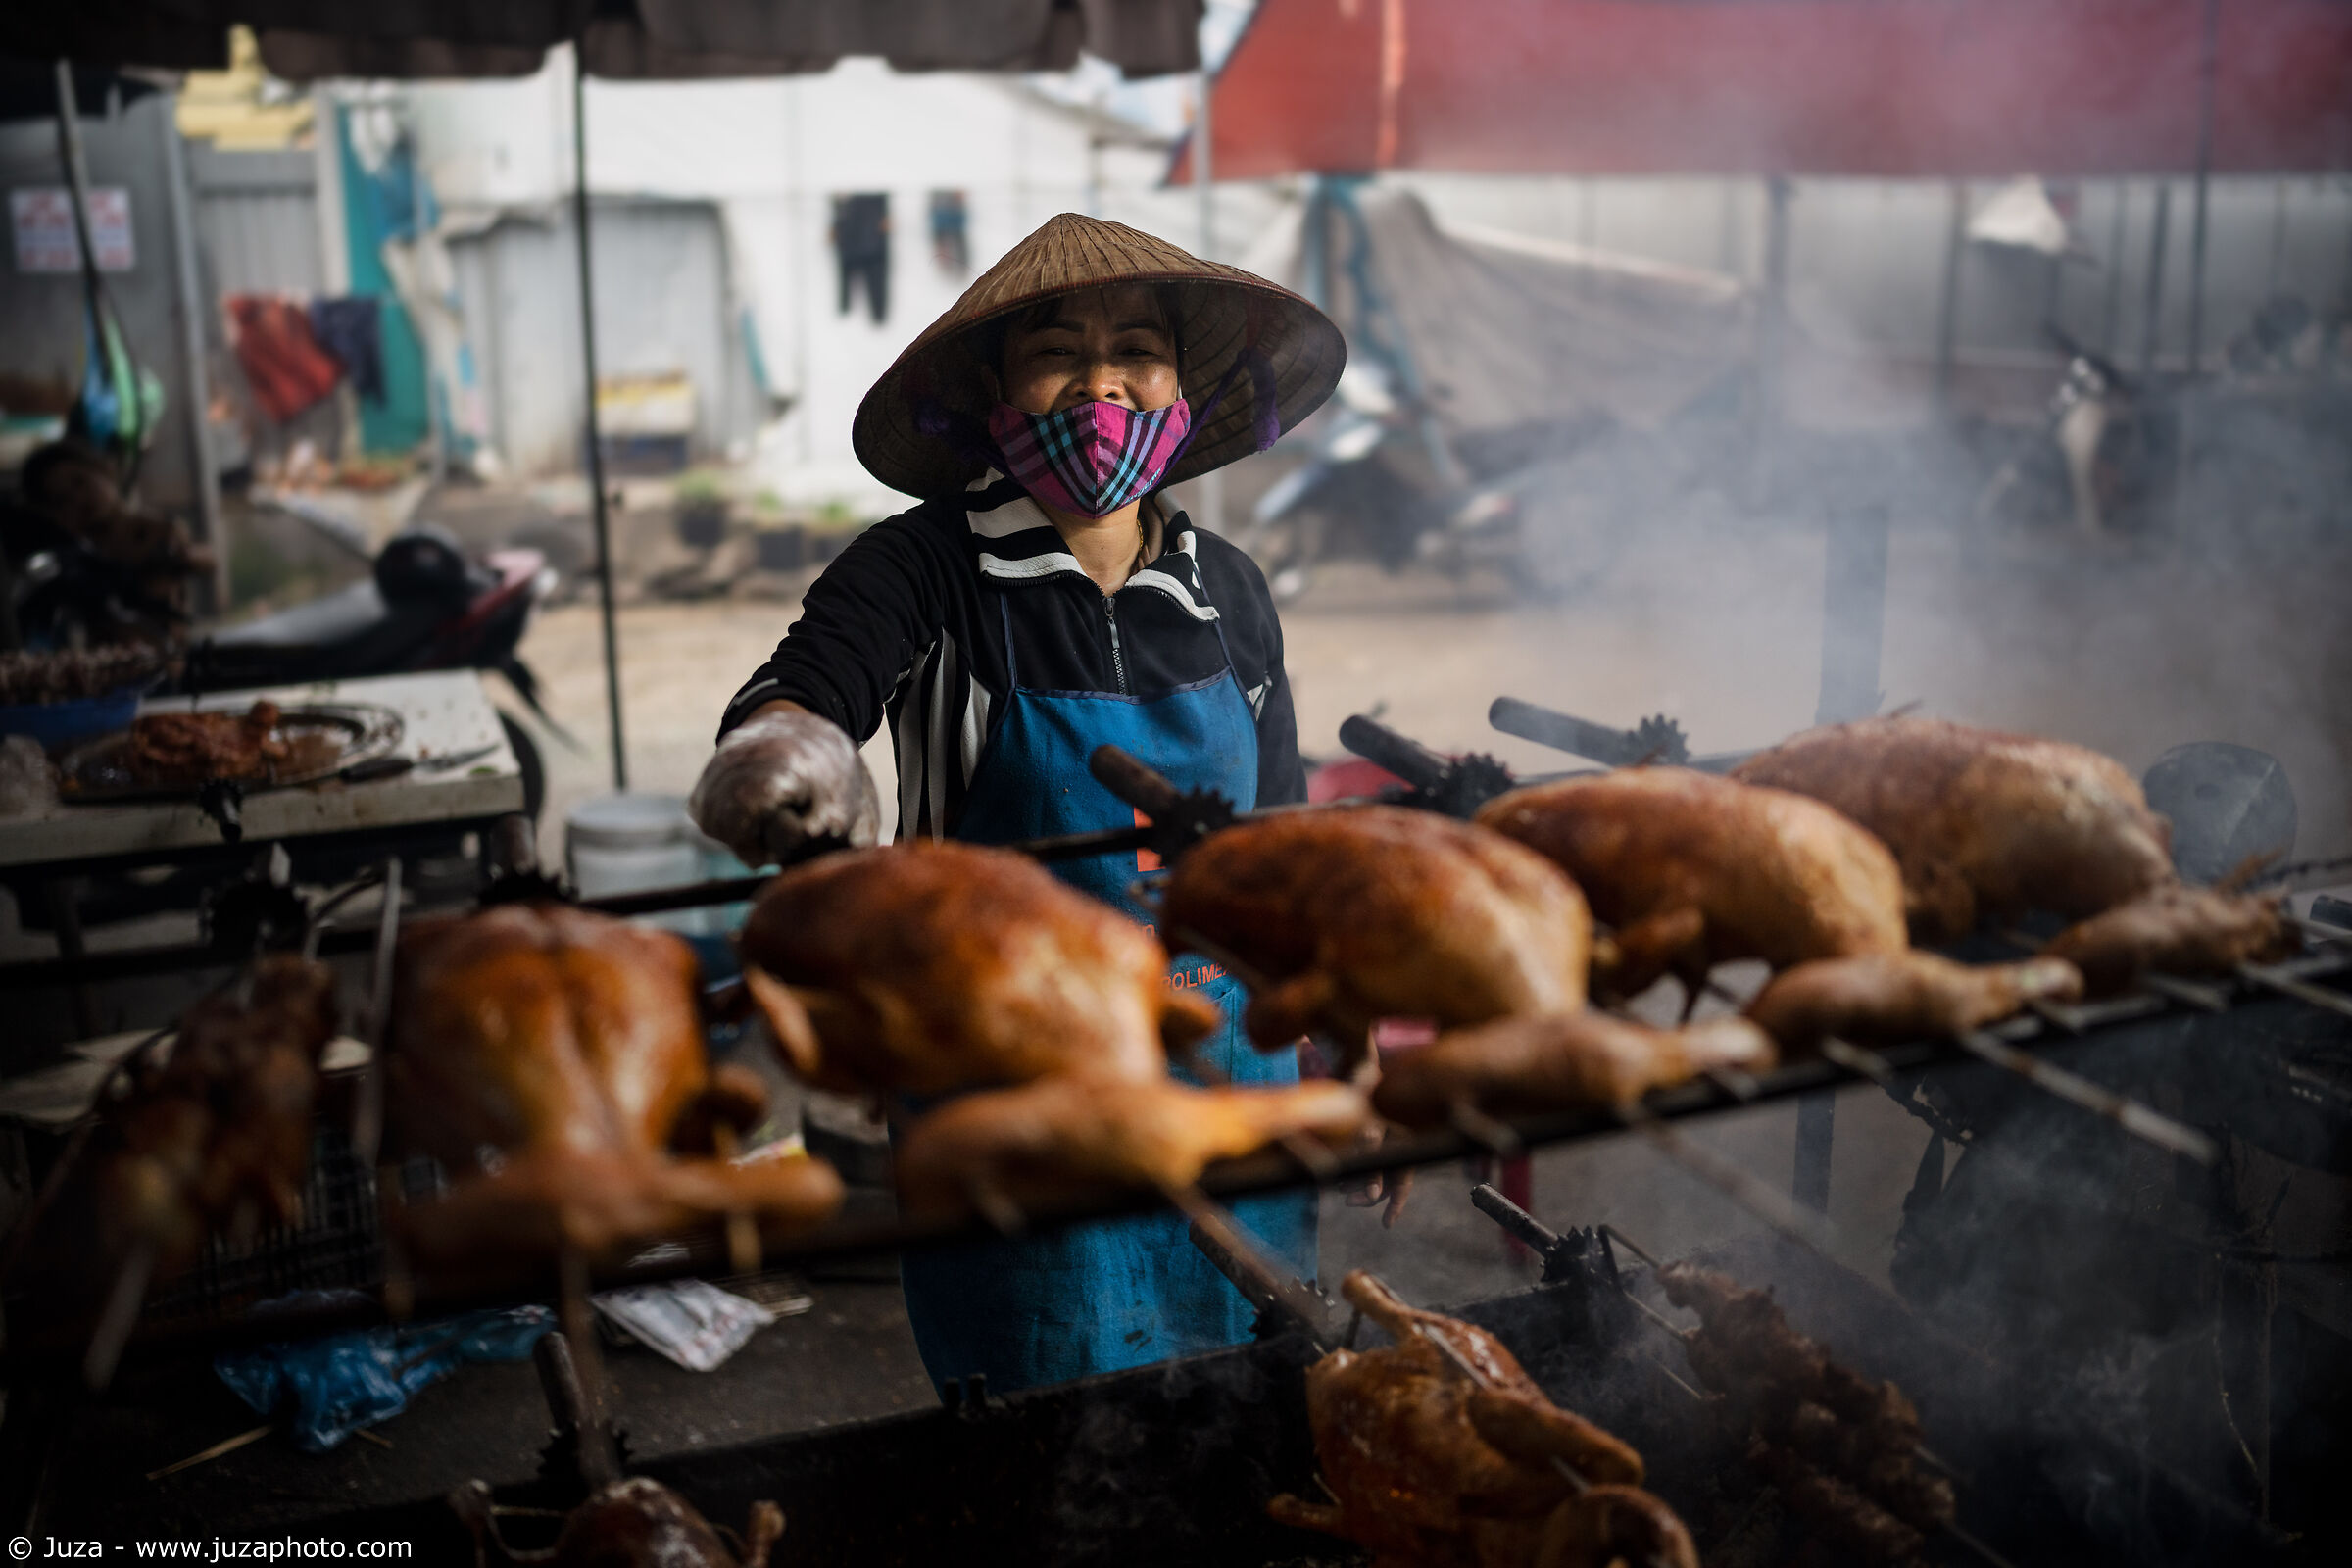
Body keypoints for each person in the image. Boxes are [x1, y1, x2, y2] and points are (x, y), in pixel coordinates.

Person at [690, 213, 1346, 1393]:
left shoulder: (1229, 591)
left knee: (1260, 1431)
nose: (1102, 386)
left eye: (1138, 351)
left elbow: (1285, 857)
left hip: (1231, 1091)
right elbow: (796, 700)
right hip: (1016, 1108)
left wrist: (1344, 1061)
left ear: (1183, 387)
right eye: (1058, 354)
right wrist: (790, 758)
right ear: (996, 389)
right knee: (1054, 1447)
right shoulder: (925, 568)